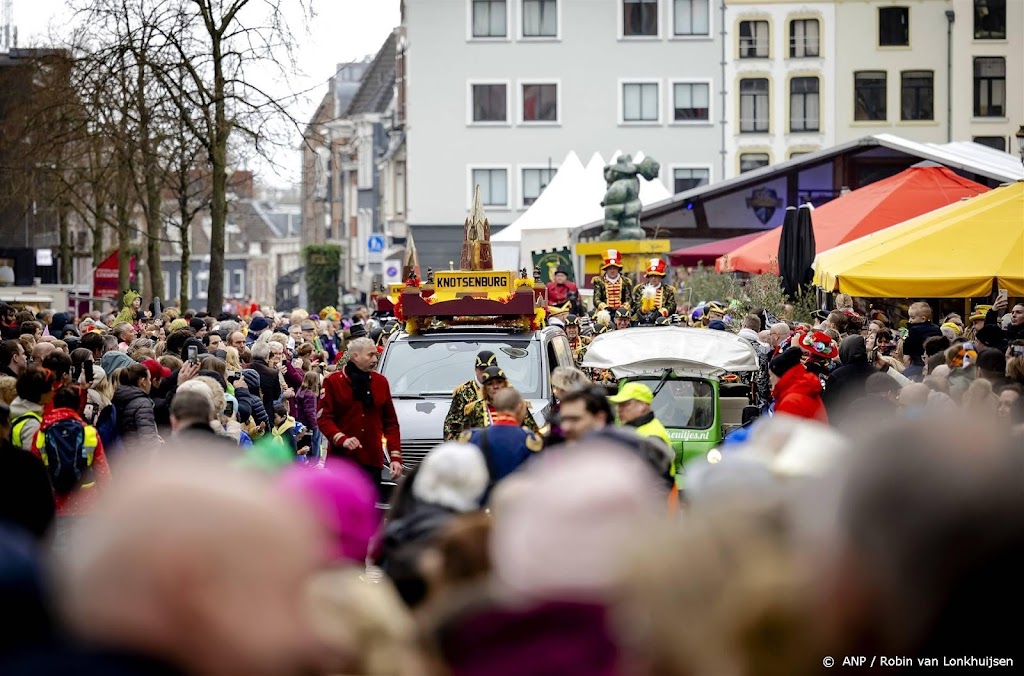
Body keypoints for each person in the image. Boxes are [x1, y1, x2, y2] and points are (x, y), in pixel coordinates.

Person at [318, 337, 403, 491]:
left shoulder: (380, 382)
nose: (375, 359)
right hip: (342, 461)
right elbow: (324, 418)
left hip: (372, 460)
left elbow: (390, 423)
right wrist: (341, 438)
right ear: (355, 356)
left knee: (369, 509)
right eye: (370, 355)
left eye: (375, 355)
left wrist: (395, 457)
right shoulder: (333, 382)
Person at [459, 387, 543, 498]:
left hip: (483, 507)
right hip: (517, 504)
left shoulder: (472, 438)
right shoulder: (528, 440)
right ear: (519, 407)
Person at [0, 402, 55, 541]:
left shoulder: (28, 464)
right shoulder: (28, 464)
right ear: (6, 427)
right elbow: (45, 513)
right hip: (22, 546)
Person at [462, 366, 539, 433]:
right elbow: (466, 437)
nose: (495, 386)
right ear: (485, 389)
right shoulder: (475, 408)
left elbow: (533, 435)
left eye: (499, 382)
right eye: (490, 384)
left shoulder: (518, 406)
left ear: (505, 385)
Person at [443, 350, 496, 441]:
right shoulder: (463, 392)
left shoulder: (505, 391)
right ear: (476, 370)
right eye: (482, 369)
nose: (485, 373)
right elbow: (451, 428)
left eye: (489, 369)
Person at [768, 347, 828, 422]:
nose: (770, 379)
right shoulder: (803, 389)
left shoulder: (791, 402)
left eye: (771, 375)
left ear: (779, 375)